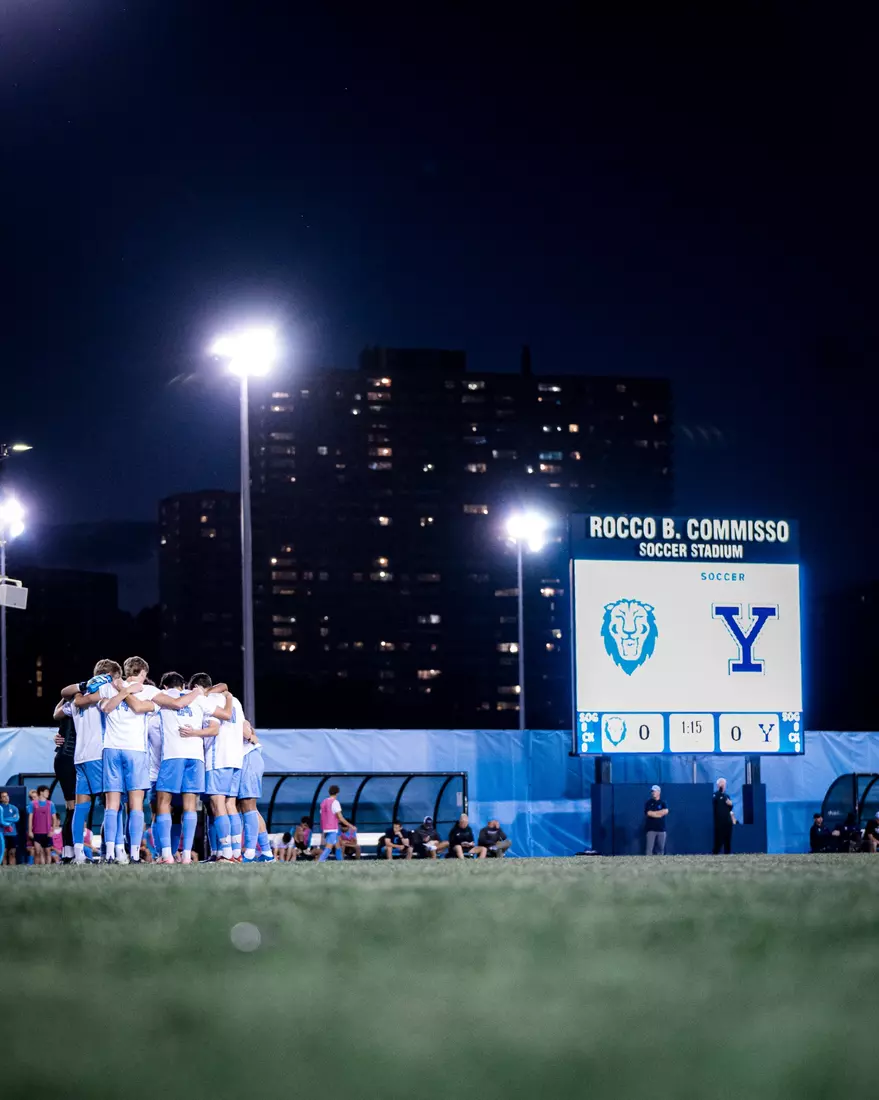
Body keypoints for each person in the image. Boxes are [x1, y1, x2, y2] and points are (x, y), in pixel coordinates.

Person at [75, 655, 199, 863]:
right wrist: (197, 692)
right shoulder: (148, 690)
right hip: (135, 751)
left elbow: (85, 702)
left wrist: (120, 690)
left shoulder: (110, 686)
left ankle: (112, 853)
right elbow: (178, 704)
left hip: (111, 750)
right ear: (143, 673)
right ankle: (133, 853)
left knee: (112, 805)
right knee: (136, 805)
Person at [152, 671, 223, 865]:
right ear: (183, 685)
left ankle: (166, 855)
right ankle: (186, 856)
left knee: (163, 802)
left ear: (164, 686)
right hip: (196, 757)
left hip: (173, 755)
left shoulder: (161, 698)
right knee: (190, 805)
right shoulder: (199, 699)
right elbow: (223, 716)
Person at [61, 661, 120, 863]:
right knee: (112, 804)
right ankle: (113, 852)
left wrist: (79, 690)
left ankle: (78, 854)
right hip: (98, 755)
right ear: (109, 677)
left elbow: (58, 712)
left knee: (81, 807)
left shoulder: (80, 694)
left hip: (80, 757)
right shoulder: (105, 691)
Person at [180, 673, 241, 862]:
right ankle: (236, 852)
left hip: (218, 757)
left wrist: (193, 733)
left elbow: (214, 729)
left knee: (217, 804)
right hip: (235, 759)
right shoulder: (234, 700)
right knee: (230, 804)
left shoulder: (211, 699)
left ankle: (227, 853)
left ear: (198, 687)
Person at [238, 721, 266, 862]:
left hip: (248, 758)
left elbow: (247, 732)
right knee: (251, 809)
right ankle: (266, 852)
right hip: (250, 758)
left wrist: (250, 737)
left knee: (248, 806)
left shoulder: (235, 710)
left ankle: (250, 852)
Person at [318, 785, 353, 862]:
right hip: (332, 828)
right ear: (337, 793)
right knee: (328, 847)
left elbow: (322, 814)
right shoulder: (335, 802)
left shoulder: (323, 802)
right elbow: (340, 817)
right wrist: (351, 826)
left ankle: (341, 862)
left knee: (338, 846)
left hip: (325, 827)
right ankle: (319, 862)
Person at [28, 785, 58, 865]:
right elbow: (30, 818)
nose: (48, 793)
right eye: (46, 792)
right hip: (37, 832)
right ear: (41, 792)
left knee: (47, 852)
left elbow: (54, 818)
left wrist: (52, 830)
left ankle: (47, 868)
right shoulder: (33, 804)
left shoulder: (50, 804)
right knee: (38, 852)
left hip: (47, 832)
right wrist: (30, 831)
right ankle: (37, 868)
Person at [712, 778, 735, 855]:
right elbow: (714, 804)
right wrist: (720, 791)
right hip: (719, 822)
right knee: (718, 839)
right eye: (722, 784)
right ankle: (715, 853)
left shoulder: (727, 796)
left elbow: (730, 808)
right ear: (718, 785)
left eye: (724, 784)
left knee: (728, 839)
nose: (723, 785)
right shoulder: (715, 795)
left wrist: (731, 804)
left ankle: (727, 853)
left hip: (727, 821)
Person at [645, 784, 669, 855]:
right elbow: (649, 813)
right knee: (649, 850)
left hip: (661, 830)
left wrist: (655, 813)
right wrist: (659, 813)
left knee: (660, 849)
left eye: (654, 791)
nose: (653, 793)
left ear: (659, 792)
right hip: (651, 830)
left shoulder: (663, 802)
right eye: (652, 791)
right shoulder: (649, 803)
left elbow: (666, 811)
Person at [1, 791, 20, 865]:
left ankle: (13, 869)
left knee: (12, 852)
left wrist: (4, 819)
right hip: (2, 834)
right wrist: (10, 818)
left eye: (7, 796)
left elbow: (16, 819)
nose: (6, 797)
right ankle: (4, 870)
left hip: (13, 834)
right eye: (3, 796)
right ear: (1, 799)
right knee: (4, 852)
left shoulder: (14, 808)